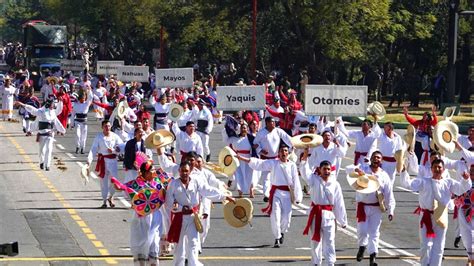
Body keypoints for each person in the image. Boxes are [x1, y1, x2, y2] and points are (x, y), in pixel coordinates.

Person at [400, 159, 471, 266]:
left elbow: (461, 189)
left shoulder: (448, 182)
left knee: (439, 245)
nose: (437, 169)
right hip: (426, 216)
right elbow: (408, 184)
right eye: (435, 167)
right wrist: (403, 171)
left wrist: (465, 180)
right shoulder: (424, 181)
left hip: (442, 216)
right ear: (431, 169)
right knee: (425, 245)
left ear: (443, 169)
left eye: (440, 167)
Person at [165, 161, 235, 266]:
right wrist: (179, 208)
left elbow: (208, 191)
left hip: (193, 217)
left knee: (193, 244)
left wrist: (224, 196)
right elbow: (169, 202)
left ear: (190, 171)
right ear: (179, 171)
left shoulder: (196, 181)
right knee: (179, 247)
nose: (184, 173)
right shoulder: (173, 184)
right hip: (179, 218)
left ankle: (193, 264)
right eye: (182, 171)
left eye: (186, 171)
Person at [237, 144, 302, 248]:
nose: (284, 153)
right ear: (278, 153)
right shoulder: (273, 163)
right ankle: (277, 237)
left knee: (286, 218)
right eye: (281, 151)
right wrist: (242, 158)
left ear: (288, 153)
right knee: (275, 215)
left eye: (285, 151)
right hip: (276, 194)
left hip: (287, 195)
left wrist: (297, 197)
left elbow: (296, 181)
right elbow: (260, 164)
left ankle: (282, 232)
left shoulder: (292, 165)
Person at [346, 151, 395, 265]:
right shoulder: (364, 168)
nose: (376, 159)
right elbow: (348, 170)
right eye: (374, 157)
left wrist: (391, 210)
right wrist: (357, 171)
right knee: (362, 231)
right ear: (371, 159)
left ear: (381, 161)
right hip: (363, 206)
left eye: (379, 158)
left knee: (374, 233)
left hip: (376, 208)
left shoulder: (384, 175)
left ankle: (373, 257)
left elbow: (389, 194)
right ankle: (362, 246)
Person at [299, 156, 347, 266]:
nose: (326, 171)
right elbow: (305, 172)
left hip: (329, 216)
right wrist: (305, 158)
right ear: (320, 170)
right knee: (315, 241)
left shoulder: (335, 184)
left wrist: (342, 220)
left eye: (328, 169)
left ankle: (330, 263)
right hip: (316, 214)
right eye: (324, 169)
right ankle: (316, 262)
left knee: (329, 241)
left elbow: (339, 203)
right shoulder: (314, 180)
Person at [16, 99, 66, 171]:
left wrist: (62, 130)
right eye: (52, 104)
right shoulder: (41, 111)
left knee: (49, 149)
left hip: (50, 134)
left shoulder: (53, 113)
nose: (53, 106)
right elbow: (32, 110)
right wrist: (22, 104)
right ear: (48, 105)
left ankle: (47, 165)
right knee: (42, 150)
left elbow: (57, 121)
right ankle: (42, 162)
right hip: (42, 134)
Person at [254, 116, 293, 201]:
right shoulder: (261, 133)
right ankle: (266, 195)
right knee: (266, 177)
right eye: (272, 122)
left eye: (274, 122)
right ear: (267, 123)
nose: (273, 124)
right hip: (265, 158)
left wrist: (292, 146)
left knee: (277, 177)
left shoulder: (278, 131)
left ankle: (278, 192)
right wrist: (261, 150)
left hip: (276, 158)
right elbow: (255, 144)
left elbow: (288, 139)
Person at [87, 120, 124, 208]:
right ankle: (104, 200)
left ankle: (111, 197)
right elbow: (93, 149)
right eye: (105, 126)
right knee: (103, 181)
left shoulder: (115, 136)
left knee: (113, 180)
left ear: (110, 127)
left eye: (108, 126)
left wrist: (115, 150)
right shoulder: (99, 137)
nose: (107, 128)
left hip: (113, 161)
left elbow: (122, 146)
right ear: (102, 127)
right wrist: (89, 160)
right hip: (103, 161)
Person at [222, 123, 257, 197]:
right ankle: (240, 191)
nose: (244, 129)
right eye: (242, 128)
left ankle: (251, 190)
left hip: (248, 158)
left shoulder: (251, 138)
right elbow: (227, 141)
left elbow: (256, 147)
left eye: (245, 128)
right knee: (239, 175)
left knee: (250, 175)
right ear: (240, 129)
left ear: (247, 129)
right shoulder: (235, 138)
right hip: (237, 158)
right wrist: (226, 128)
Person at [71, 87, 93, 154]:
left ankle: (82, 148)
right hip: (77, 121)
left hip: (84, 122)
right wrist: (72, 124)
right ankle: (77, 146)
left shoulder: (86, 104)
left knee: (84, 135)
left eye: (84, 98)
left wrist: (89, 91)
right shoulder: (75, 105)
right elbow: (72, 115)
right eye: (81, 98)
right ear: (79, 98)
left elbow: (90, 97)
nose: (83, 100)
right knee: (78, 135)